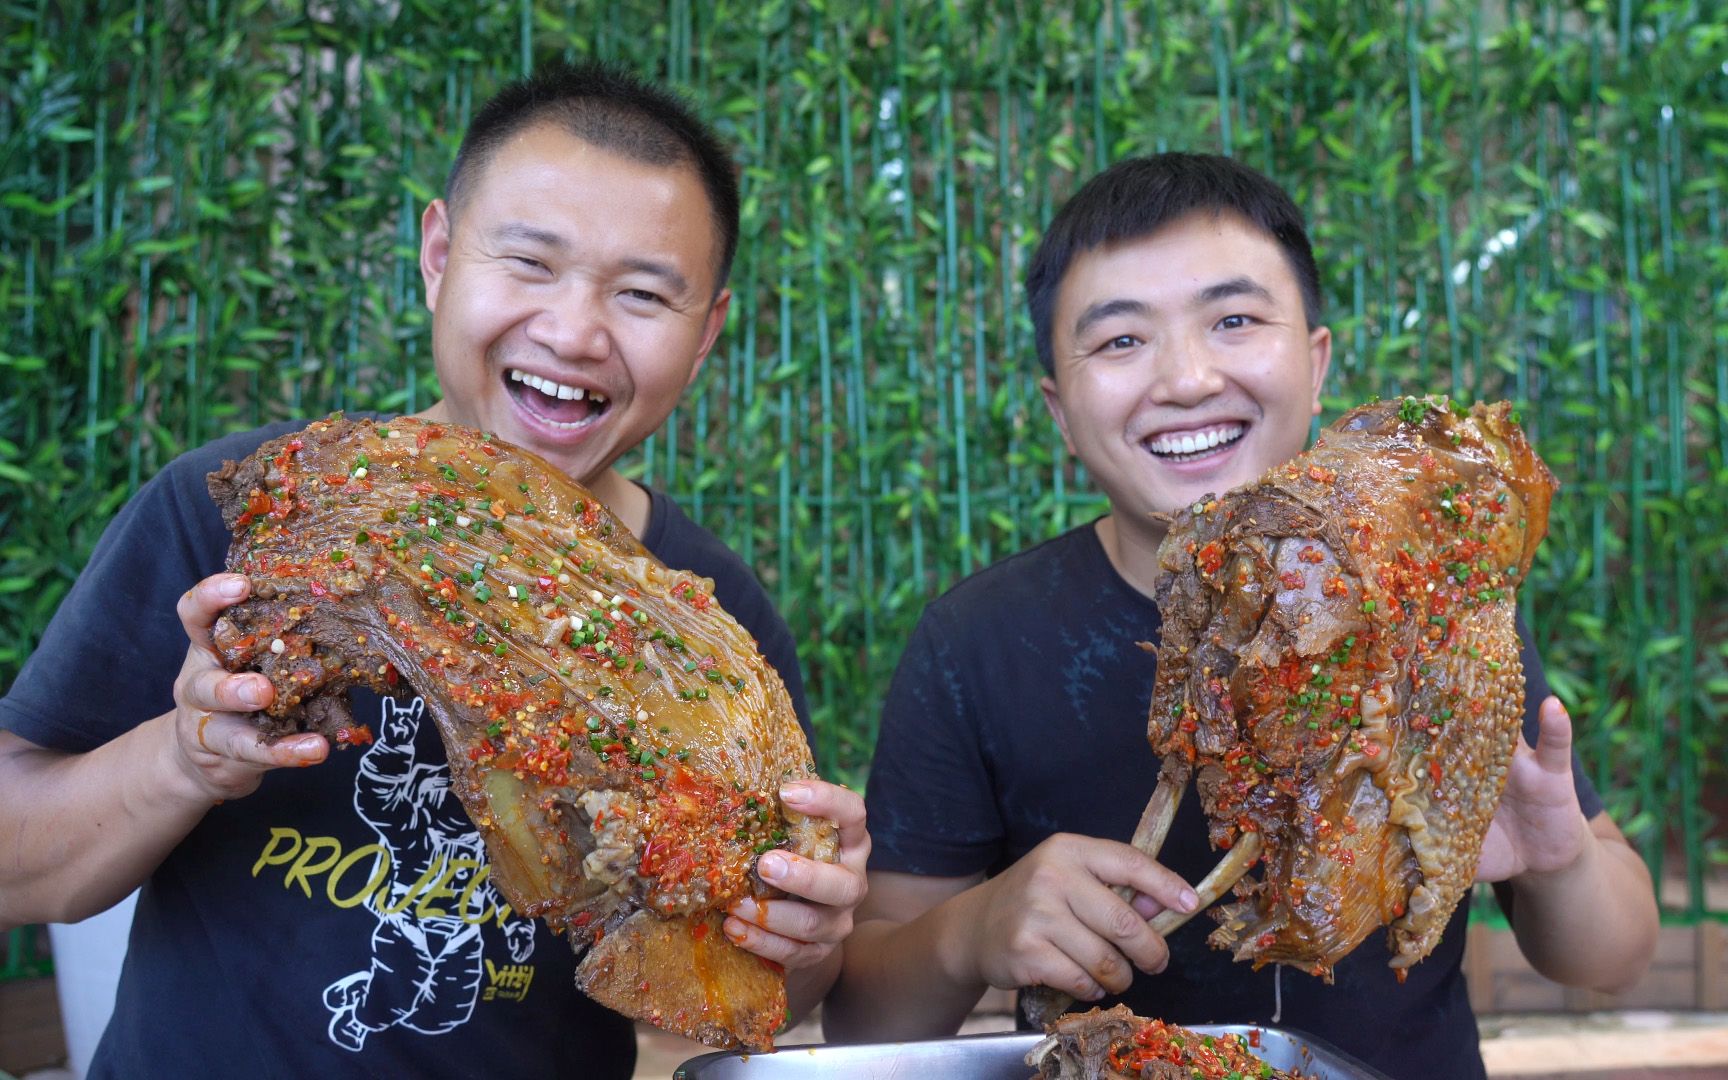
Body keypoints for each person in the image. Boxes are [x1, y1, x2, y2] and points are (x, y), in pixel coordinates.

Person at [0, 63, 867, 1079]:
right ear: (439, 255)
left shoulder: (707, 628)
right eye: (531, 264)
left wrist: (802, 933)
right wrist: (185, 758)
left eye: (640, 294)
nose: (574, 332)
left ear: (706, 332)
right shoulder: (269, 509)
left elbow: (753, 995)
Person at [823, 153, 1657, 1079]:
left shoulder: (1425, 600)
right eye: (1120, 341)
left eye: (1233, 320)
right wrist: (968, 934)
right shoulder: (975, 643)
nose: (1185, 378)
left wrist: (1558, 859)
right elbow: (862, 1022)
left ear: (1316, 360)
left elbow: (1611, 956)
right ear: (1061, 412)